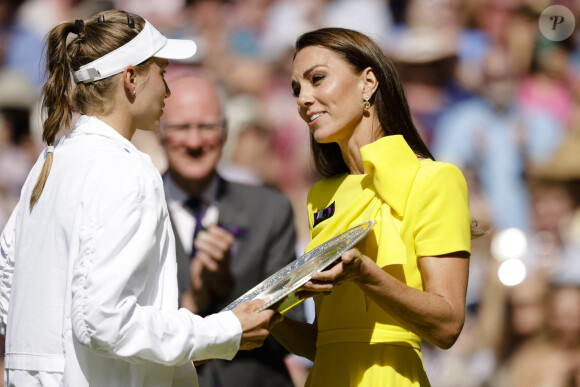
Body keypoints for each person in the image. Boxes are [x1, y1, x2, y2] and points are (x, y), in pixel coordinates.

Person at [0, 10, 276, 387]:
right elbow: (104, 320)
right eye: (161, 72)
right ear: (131, 78)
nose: (168, 88)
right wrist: (222, 331)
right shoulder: (126, 169)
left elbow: (10, 296)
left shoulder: (51, 161)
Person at [271, 27, 473, 386]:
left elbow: (448, 325)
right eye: (297, 89)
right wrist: (270, 317)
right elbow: (327, 341)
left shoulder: (435, 179)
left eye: (317, 79)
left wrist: (365, 274)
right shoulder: (321, 195)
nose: (304, 98)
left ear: (368, 83)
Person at [159, 71, 302, 387]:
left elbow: (294, 334)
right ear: (159, 134)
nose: (195, 142)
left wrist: (229, 287)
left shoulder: (270, 211)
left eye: (207, 126)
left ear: (226, 132)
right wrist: (193, 299)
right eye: (181, 127)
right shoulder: (136, 210)